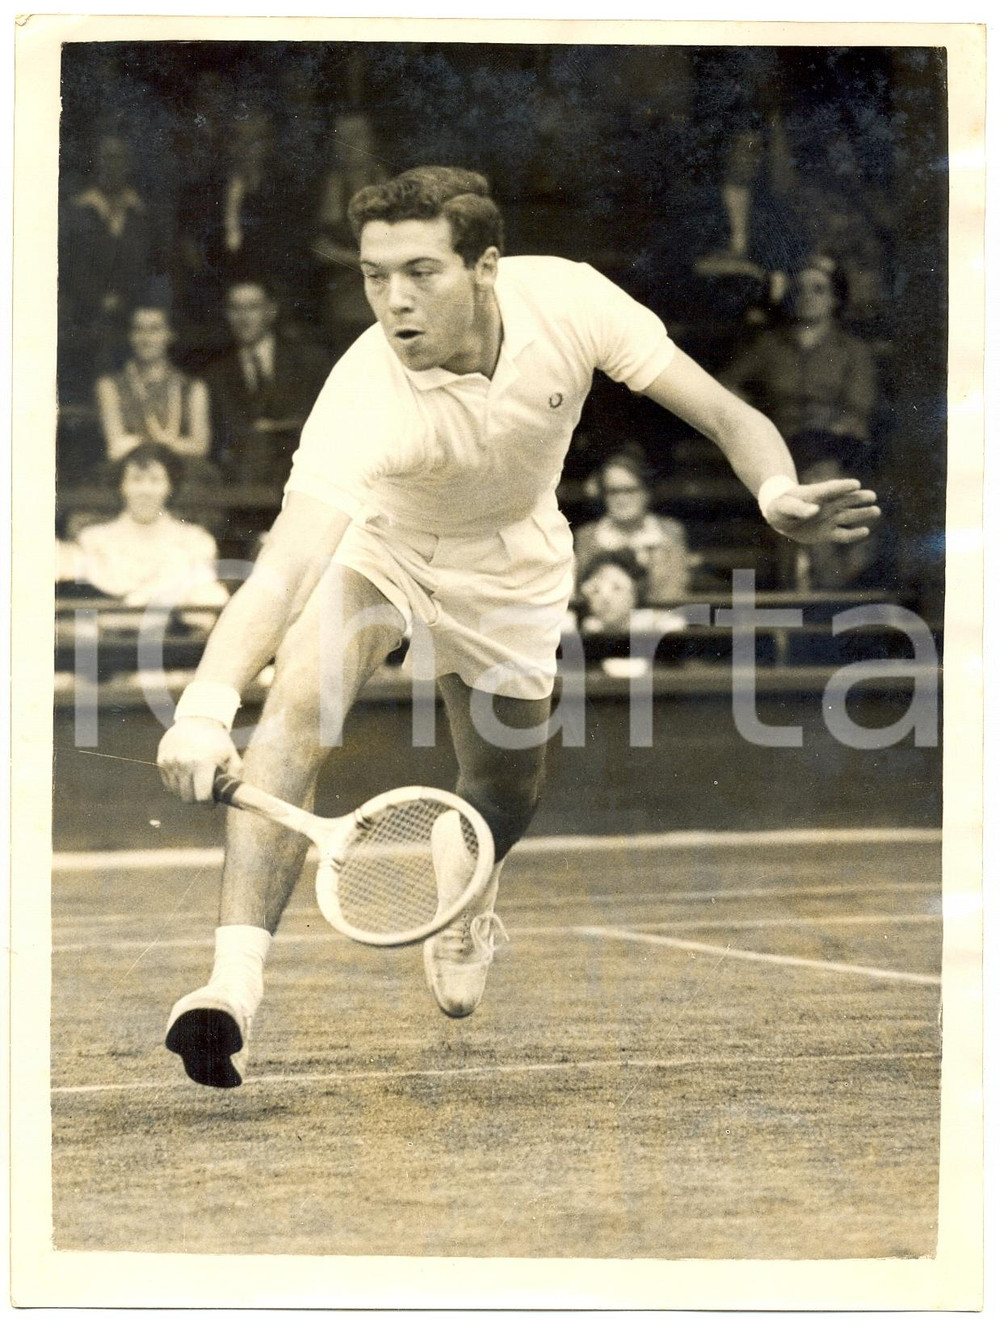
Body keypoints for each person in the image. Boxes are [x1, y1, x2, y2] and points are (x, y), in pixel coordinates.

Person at [156, 166, 879, 1088]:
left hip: (516, 561)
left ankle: (467, 892)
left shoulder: (571, 300)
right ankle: (229, 991)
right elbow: (283, 572)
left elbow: (728, 415)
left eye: (421, 271)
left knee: (506, 788)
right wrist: (207, 707)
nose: (393, 301)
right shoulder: (363, 395)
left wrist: (775, 493)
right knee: (297, 702)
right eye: (376, 277)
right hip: (390, 545)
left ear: (486, 267)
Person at [57, 443, 229, 610]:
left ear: (170, 487)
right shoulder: (94, 541)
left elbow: (206, 602)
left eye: (155, 480)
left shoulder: (195, 541)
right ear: (121, 486)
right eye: (136, 479)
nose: (145, 490)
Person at [204, 279, 332, 490]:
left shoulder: (309, 361)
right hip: (242, 479)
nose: (243, 318)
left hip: (302, 472)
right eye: (235, 308)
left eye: (252, 307)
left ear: (271, 311)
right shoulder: (215, 374)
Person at [95, 305, 212, 464]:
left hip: (183, 476)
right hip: (129, 475)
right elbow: (115, 447)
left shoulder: (192, 388)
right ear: (130, 335)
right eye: (139, 329)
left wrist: (136, 442)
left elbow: (199, 447)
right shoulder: (110, 386)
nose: (146, 338)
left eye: (154, 329)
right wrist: (176, 444)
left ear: (170, 335)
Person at [573, 451, 693, 604]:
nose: (621, 499)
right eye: (613, 491)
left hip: (657, 623)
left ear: (646, 492)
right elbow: (583, 597)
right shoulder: (587, 536)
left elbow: (673, 595)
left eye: (630, 490)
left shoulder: (670, 532)